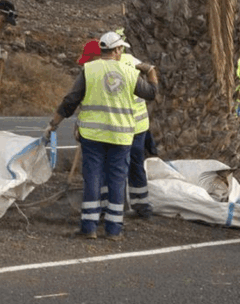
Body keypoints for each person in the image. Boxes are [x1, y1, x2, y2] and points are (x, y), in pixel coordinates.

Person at [44, 31, 158, 240]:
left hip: (93, 137)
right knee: (116, 180)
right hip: (120, 137)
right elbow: (151, 92)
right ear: (117, 50)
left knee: (93, 178)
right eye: (120, 48)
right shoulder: (129, 72)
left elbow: (71, 101)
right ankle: (114, 230)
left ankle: (89, 228)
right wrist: (150, 70)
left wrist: (54, 124)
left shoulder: (89, 70)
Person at [114, 26, 157, 219]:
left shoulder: (106, 64)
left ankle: (117, 205)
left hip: (119, 126)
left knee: (116, 165)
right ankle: (142, 205)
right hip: (139, 126)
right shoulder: (132, 61)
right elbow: (149, 71)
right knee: (136, 165)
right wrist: (149, 70)